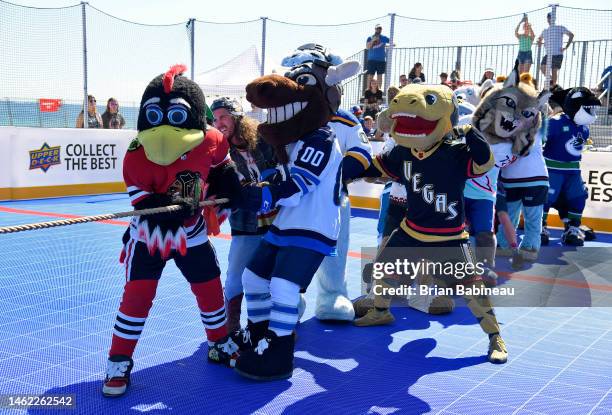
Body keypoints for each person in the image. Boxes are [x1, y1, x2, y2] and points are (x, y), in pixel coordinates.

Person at [211, 97, 277, 332]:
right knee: (236, 275)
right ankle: (231, 327)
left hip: (276, 222)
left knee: (275, 275)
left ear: (237, 117)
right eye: (215, 119)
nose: (219, 123)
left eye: (224, 117)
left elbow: (279, 168)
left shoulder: (262, 141)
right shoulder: (217, 150)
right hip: (245, 223)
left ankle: (274, 325)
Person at [537, 12, 574, 88]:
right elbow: (539, 39)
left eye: (552, 17)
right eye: (549, 17)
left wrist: (566, 47)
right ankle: (551, 81)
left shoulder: (560, 27)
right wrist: (539, 41)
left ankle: (553, 87)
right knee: (542, 67)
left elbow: (571, 35)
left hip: (557, 54)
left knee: (554, 70)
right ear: (547, 19)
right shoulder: (545, 30)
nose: (550, 19)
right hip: (548, 54)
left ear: (555, 18)